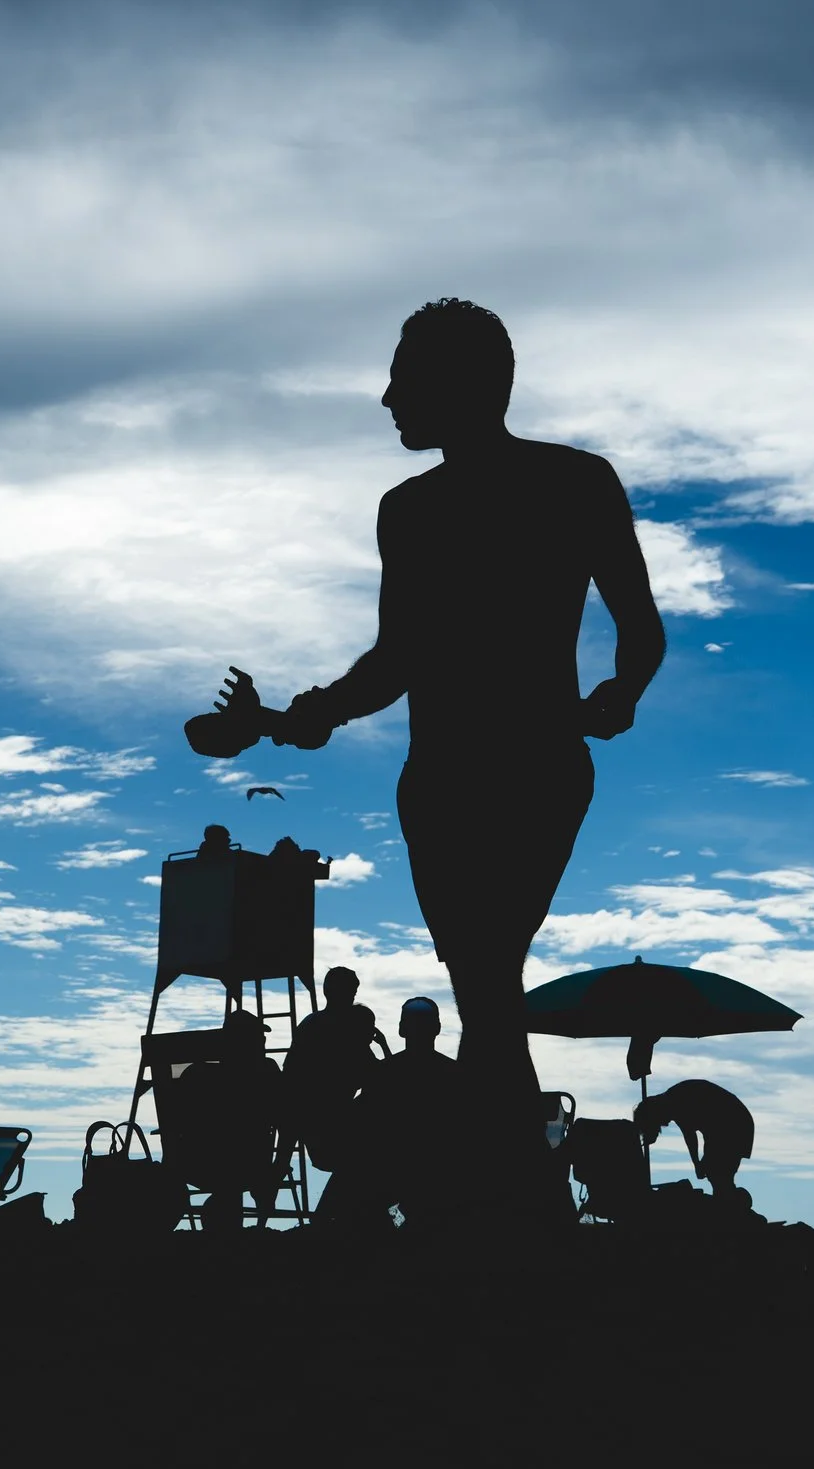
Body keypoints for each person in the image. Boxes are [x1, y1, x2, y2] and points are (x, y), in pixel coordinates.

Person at [217, 300, 666, 1213]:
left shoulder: (575, 483)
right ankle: (505, 1194)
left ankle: (491, 1197)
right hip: (450, 782)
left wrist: (622, 691)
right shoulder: (411, 511)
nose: (386, 397)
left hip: (525, 772)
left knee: (488, 976)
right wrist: (292, 718)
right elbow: (395, 661)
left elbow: (640, 627)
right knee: (486, 983)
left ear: (463, 385)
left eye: (404, 378)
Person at [321, 997, 463, 1229]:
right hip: (441, 1179)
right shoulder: (455, 1074)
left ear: (401, 1029)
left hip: (387, 1175)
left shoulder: (383, 1074)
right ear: (437, 1029)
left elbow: (361, 1122)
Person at [163, 1010, 287, 1231]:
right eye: (258, 1037)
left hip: (195, 1163)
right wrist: (279, 1164)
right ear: (245, 1042)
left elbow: (175, 1123)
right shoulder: (267, 1071)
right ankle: (258, 1228)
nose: (263, 1042)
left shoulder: (196, 1074)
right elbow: (285, 1119)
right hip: (251, 1163)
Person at [286, 966, 386, 1176]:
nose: (350, 998)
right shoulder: (348, 1033)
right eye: (349, 992)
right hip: (331, 1131)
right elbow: (382, 1078)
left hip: (316, 1127)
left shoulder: (312, 1025)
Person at [635, 1080, 756, 1210]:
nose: (665, 1124)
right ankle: (731, 1206)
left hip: (732, 1124)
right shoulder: (672, 1099)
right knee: (716, 1173)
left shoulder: (675, 1101)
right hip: (728, 1125)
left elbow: (690, 1136)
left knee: (717, 1173)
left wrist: (697, 1164)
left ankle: (731, 1210)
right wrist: (699, 1163)